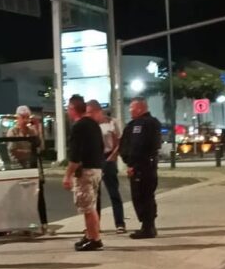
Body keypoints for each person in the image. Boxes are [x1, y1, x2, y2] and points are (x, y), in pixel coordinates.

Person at [62, 95, 105, 251]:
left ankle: (95, 239)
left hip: (85, 171)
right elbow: (101, 148)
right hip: (96, 169)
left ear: (73, 109)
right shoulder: (94, 125)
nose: (67, 111)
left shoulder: (79, 126)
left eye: (68, 108)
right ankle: (90, 235)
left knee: (87, 207)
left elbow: (75, 156)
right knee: (91, 204)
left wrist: (67, 175)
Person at [120, 97, 162, 239]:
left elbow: (137, 147)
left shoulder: (141, 124)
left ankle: (147, 227)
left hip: (141, 166)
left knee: (141, 196)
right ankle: (148, 226)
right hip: (148, 165)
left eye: (132, 108)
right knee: (147, 196)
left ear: (140, 108)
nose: (130, 111)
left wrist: (131, 164)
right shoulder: (152, 123)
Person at [6, 105, 48, 232]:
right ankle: (22, 225)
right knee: (21, 197)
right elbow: (13, 150)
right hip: (19, 168)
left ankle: (43, 223)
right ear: (17, 118)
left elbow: (40, 147)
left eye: (26, 117)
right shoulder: (13, 132)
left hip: (33, 167)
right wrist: (29, 153)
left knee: (38, 196)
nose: (25, 120)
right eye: (22, 117)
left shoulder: (31, 132)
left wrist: (38, 128)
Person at [87, 101, 126, 234]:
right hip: (96, 158)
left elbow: (120, 141)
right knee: (94, 195)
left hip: (108, 157)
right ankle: (95, 225)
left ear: (99, 111)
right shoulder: (91, 125)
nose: (89, 114)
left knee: (113, 191)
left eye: (91, 112)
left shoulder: (111, 122)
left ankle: (120, 223)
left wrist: (113, 156)